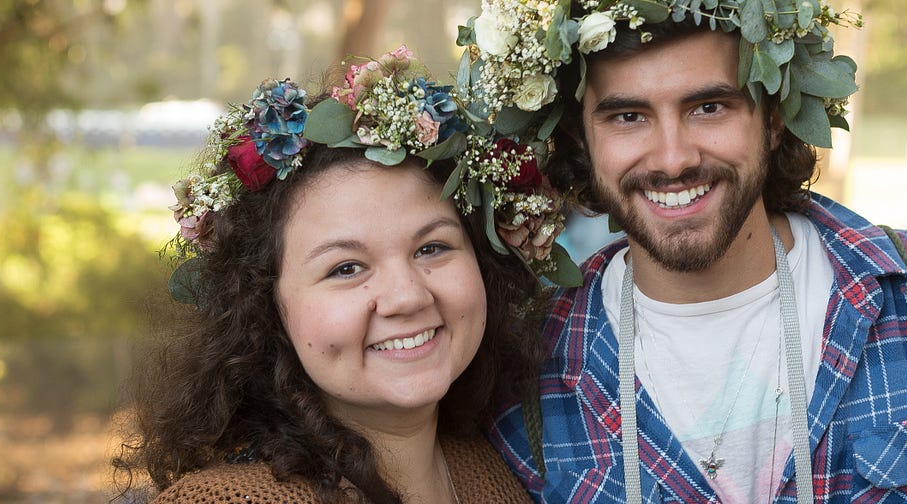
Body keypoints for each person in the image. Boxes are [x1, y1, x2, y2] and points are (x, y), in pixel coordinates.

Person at [457, 0, 907, 503]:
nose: (673, 158)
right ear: (581, 140)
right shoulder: (527, 364)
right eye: (627, 117)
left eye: (709, 107)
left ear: (775, 118)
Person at [112, 48, 570, 503]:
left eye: (432, 247)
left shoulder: (502, 475)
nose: (406, 297)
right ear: (264, 307)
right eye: (346, 268)